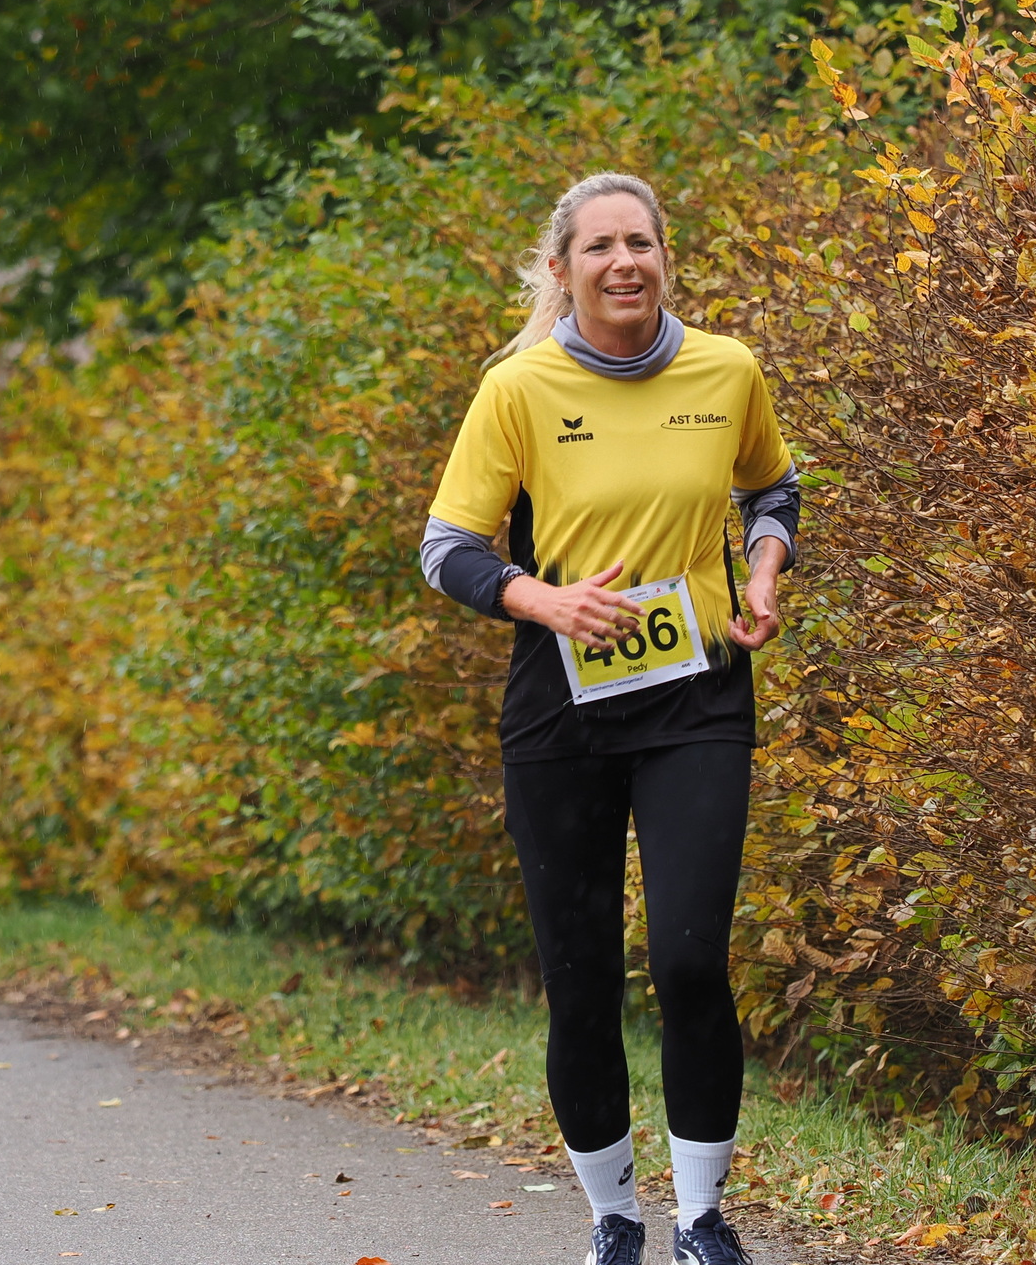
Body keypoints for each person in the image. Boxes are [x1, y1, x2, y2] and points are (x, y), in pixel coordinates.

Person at [422, 173, 799, 1265]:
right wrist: (546, 601)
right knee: (580, 978)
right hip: (562, 711)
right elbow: (447, 547)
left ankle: (702, 1220)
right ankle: (614, 1220)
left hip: (696, 697)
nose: (624, 262)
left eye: (641, 242)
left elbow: (771, 490)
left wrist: (763, 570)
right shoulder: (519, 389)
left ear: (665, 257)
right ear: (563, 268)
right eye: (600, 247)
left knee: (688, 960)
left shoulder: (726, 369)